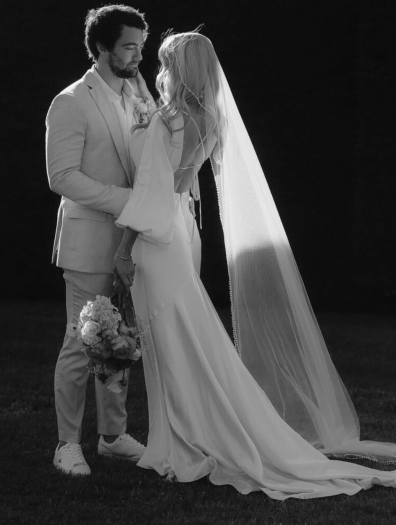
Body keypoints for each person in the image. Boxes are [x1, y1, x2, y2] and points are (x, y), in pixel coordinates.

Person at [113, 30, 396, 500]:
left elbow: (151, 192)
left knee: (170, 342)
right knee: (183, 340)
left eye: (165, 61)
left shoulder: (170, 120)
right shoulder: (212, 119)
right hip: (178, 232)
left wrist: (123, 249)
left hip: (156, 237)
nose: (160, 70)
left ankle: (182, 446)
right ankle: (176, 440)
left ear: (179, 70)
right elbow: (179, 185)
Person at [46, 4, 155, 475]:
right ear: (102, 48)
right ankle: (66, 444)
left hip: (134, 244)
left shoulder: (140, 95)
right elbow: (62, 176)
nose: (137, 55)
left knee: (121, 340)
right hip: (89, 242)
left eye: (141, 46)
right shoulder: (70, 101)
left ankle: (112, 436)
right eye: (129, 46)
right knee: (80, 342)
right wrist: (126, 200)